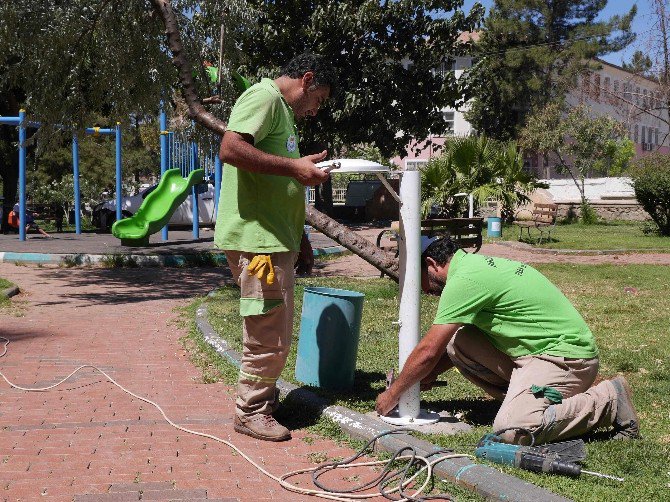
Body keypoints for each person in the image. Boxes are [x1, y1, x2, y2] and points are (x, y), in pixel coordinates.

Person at [375, 236, 640, 445]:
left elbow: (428, 350)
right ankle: (532, 401)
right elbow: (444, 348)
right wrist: (425, 376)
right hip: (536, 355)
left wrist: (393, 394)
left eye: (417, 279)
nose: (422, 290)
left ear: (431, 264)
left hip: (565, 359)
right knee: (459, 339)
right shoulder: (472, 267)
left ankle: (609, 400)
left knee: (513, 430)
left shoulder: (465, 280)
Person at [214, 53, 337, 441]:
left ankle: (261, 401)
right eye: (318, 99)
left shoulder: (281, 111)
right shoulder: (264, 98)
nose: (315, 110)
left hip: (274, 239)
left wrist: (299, 237)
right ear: (307, 78)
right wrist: (294, 168)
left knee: (274, 330)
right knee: (268, 333)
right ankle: (251, 411)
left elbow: (279, 184)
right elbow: (230, 149)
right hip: (258, 242)